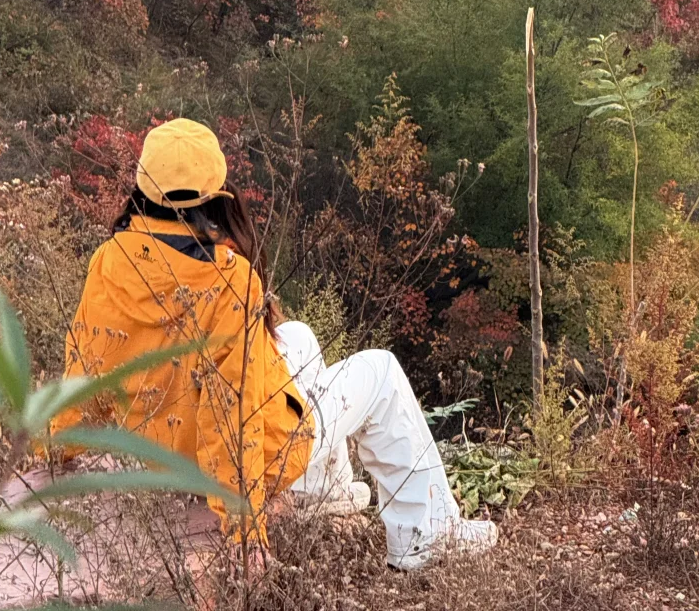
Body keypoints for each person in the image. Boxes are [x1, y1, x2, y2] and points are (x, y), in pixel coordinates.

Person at [52, 117, 498, 572]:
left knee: (297, 336)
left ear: (143, 189)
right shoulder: (225, 276)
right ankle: (425, 536)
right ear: (213, 198)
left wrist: (55, 447)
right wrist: (246, 529)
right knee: (381, 371)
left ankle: (331, 496)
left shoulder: (110, 259)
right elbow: (232, 406)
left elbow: (85, 364)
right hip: (246, 464)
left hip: (162, 453)